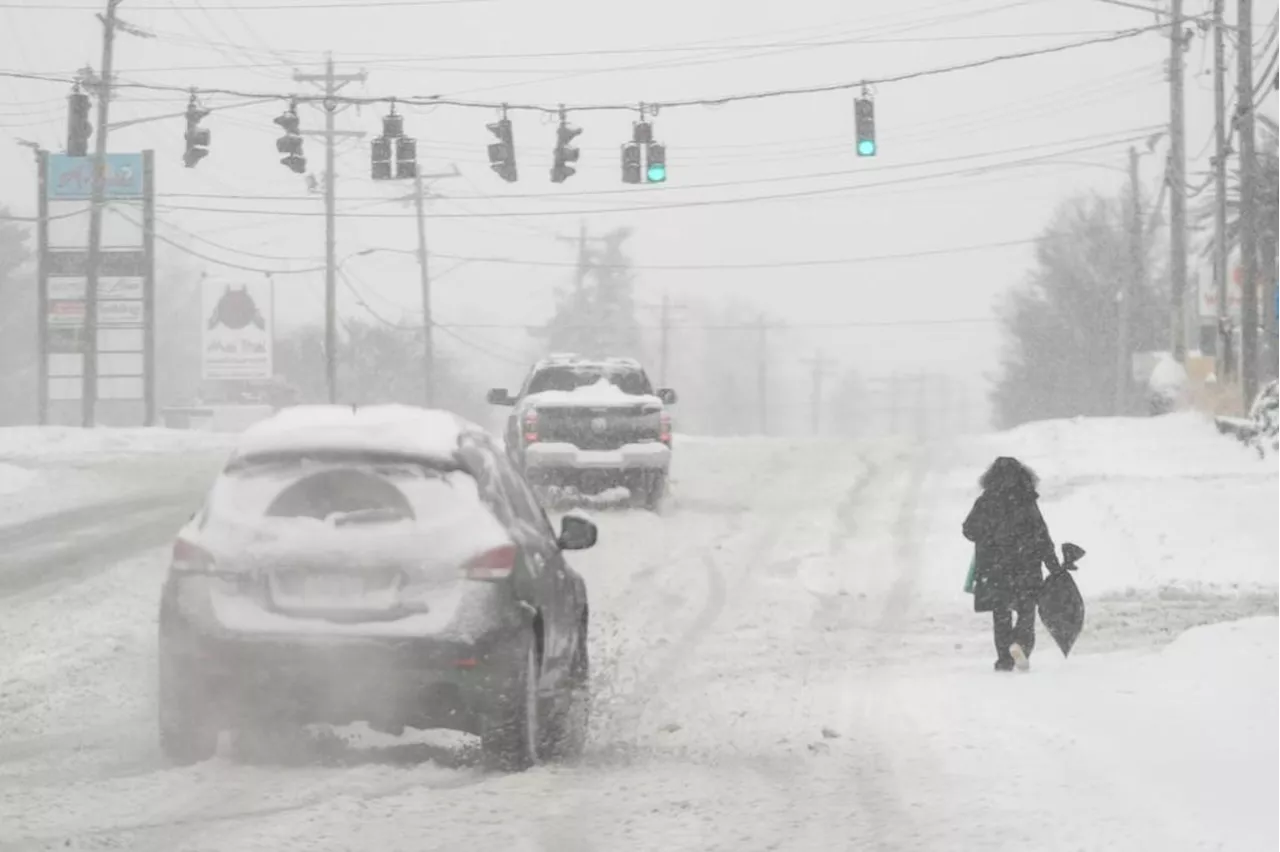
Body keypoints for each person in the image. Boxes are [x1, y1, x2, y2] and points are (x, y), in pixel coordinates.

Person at [962, 457, 1059, 672]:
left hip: (996, 567)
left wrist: (988, 537)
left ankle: (1004, 659)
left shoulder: (986, 501)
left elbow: (969, 529)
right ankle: (1021, 644)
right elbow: (1041, 534)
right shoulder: (1026, 500)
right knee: (1026, 611)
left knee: (1001, 614)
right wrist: (1053, 564)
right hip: (1027, 565)